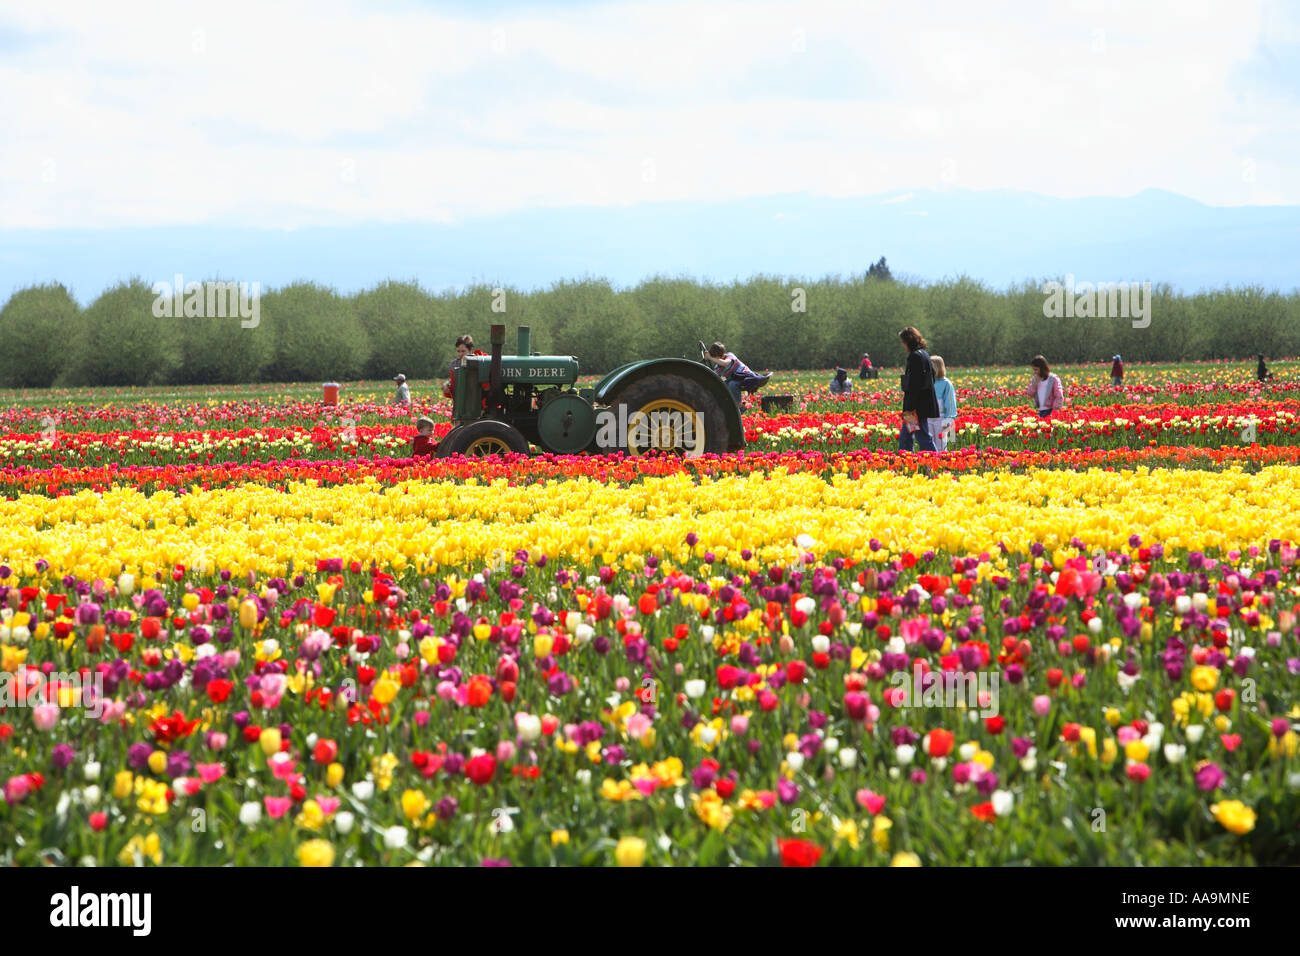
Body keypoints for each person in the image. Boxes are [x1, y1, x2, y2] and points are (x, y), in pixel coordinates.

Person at [898, 327, 939, 452]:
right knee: (908, 436)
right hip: (922, 404)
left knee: (921, 437)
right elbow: (932, 375)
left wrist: (910, 408)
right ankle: (907, 462)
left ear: (908, 341)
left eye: (903, 342)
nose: (902, 345)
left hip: (916, 407)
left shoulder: (915, 357)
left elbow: (915, 384)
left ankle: (937, 461)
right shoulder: (924, 354)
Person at [704, 342, 768, 403]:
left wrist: (710, 357)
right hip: (735, 378)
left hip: (745, 376)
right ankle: (726, 404)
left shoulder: (730, 356)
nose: (715, 361)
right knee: (723, 385)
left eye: (716, 358)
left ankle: (738, 405)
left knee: (732, 384)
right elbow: (714, 377)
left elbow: (725, 363)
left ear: (723, 355)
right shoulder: (717, 368)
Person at [928, 355, 957, 451]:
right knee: (928, 444)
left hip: (941, 418)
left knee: (941, 444)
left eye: (931, 366)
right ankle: (928, 465)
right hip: (928, 418)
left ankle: (942, 464)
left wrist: (948, 420)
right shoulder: (927, 382)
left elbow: (950, 403)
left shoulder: (946, 383)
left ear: (938, 367)